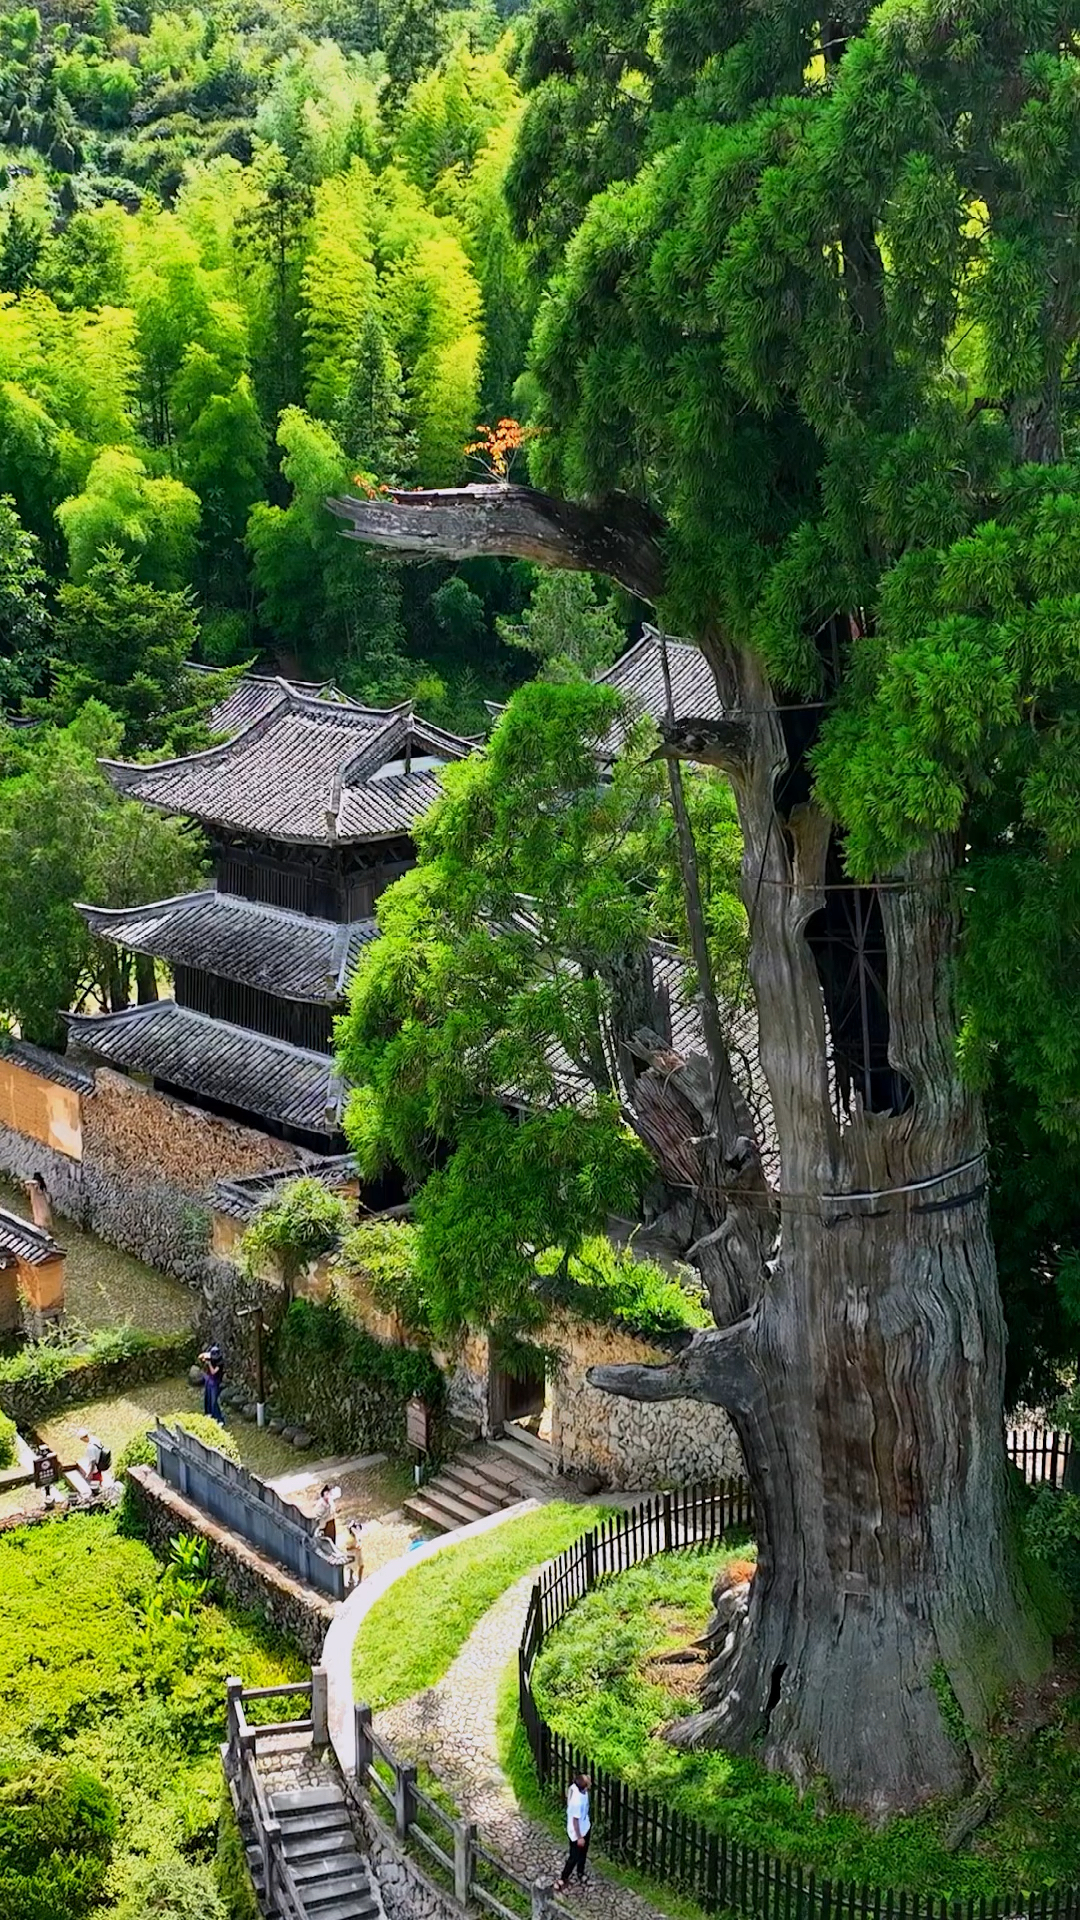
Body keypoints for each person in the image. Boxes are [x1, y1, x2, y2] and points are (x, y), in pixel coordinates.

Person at [555, 1772, 591, 1891]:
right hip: (577, 1833)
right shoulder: (577, 1801)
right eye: (588, 1781)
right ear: (585, 1786)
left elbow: (568, 1792)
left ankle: (580, 1872)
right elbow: (575, 1821)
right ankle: (563, 1877)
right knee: (574, 1857)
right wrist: (579, 1837)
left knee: (583, 1853)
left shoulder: (576, 1788)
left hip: (585, 1827)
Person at [199, 1343, 225, 1425]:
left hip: (215, 1382)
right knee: (208, 1398)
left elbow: (213, 1372)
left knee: (214, 1401)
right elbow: (200, 1356)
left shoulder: (220, 1363)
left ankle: (219, 1419)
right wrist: (205, 1358)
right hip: (209, 1381)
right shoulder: (210, 1357)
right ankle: (209, 1413)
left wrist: (209, 1364)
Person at [345, 1518, 364, 1587]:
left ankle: (359, 1580)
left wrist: (359, 1546)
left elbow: (360, 1541)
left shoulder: (357, 1535)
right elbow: (347, 1548)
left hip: (358, 1552)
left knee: (361, 1565)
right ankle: (351, 1578)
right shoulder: (349, 1538)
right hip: (352, 1554)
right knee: (352, 1567)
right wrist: (355, 1547)